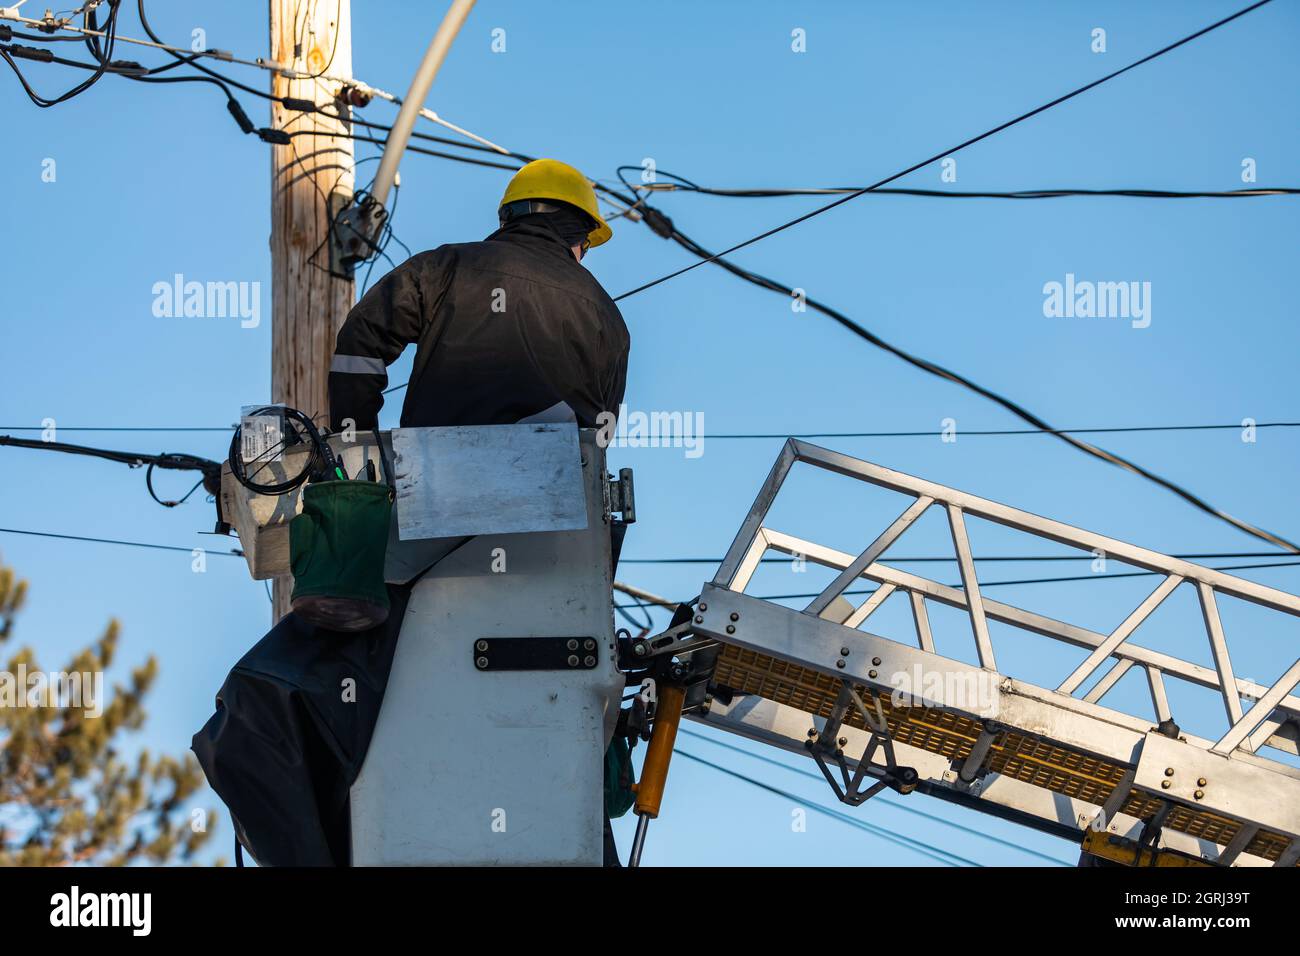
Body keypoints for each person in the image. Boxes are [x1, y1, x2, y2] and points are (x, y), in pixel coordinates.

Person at [327, 158, 629, 433]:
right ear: (576, 233)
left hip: (431, 480)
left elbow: (361, 335)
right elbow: (600, 429)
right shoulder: (606, 314)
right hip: (556, 486)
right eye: (586, 246)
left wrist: (355, 445)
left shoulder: (442, 268)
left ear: (508, 218)